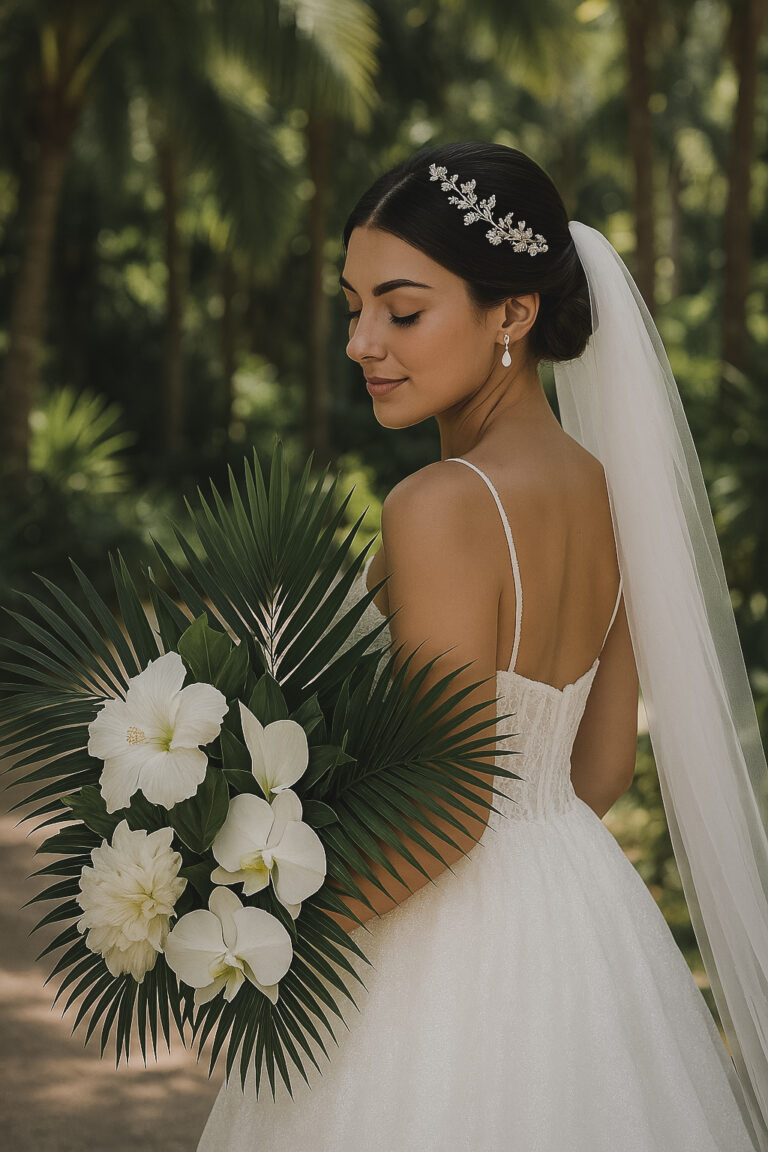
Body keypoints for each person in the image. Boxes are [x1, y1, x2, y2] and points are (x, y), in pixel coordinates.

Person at [196, 141, 767, 1151]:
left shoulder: (442, 504)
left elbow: (451, 806)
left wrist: (279, 933)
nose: (364, 341)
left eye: (403, 310)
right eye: (353, 305)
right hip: (580, 919)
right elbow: (596, 772)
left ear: (514, 313)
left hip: (432, 941)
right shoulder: (609, 491)